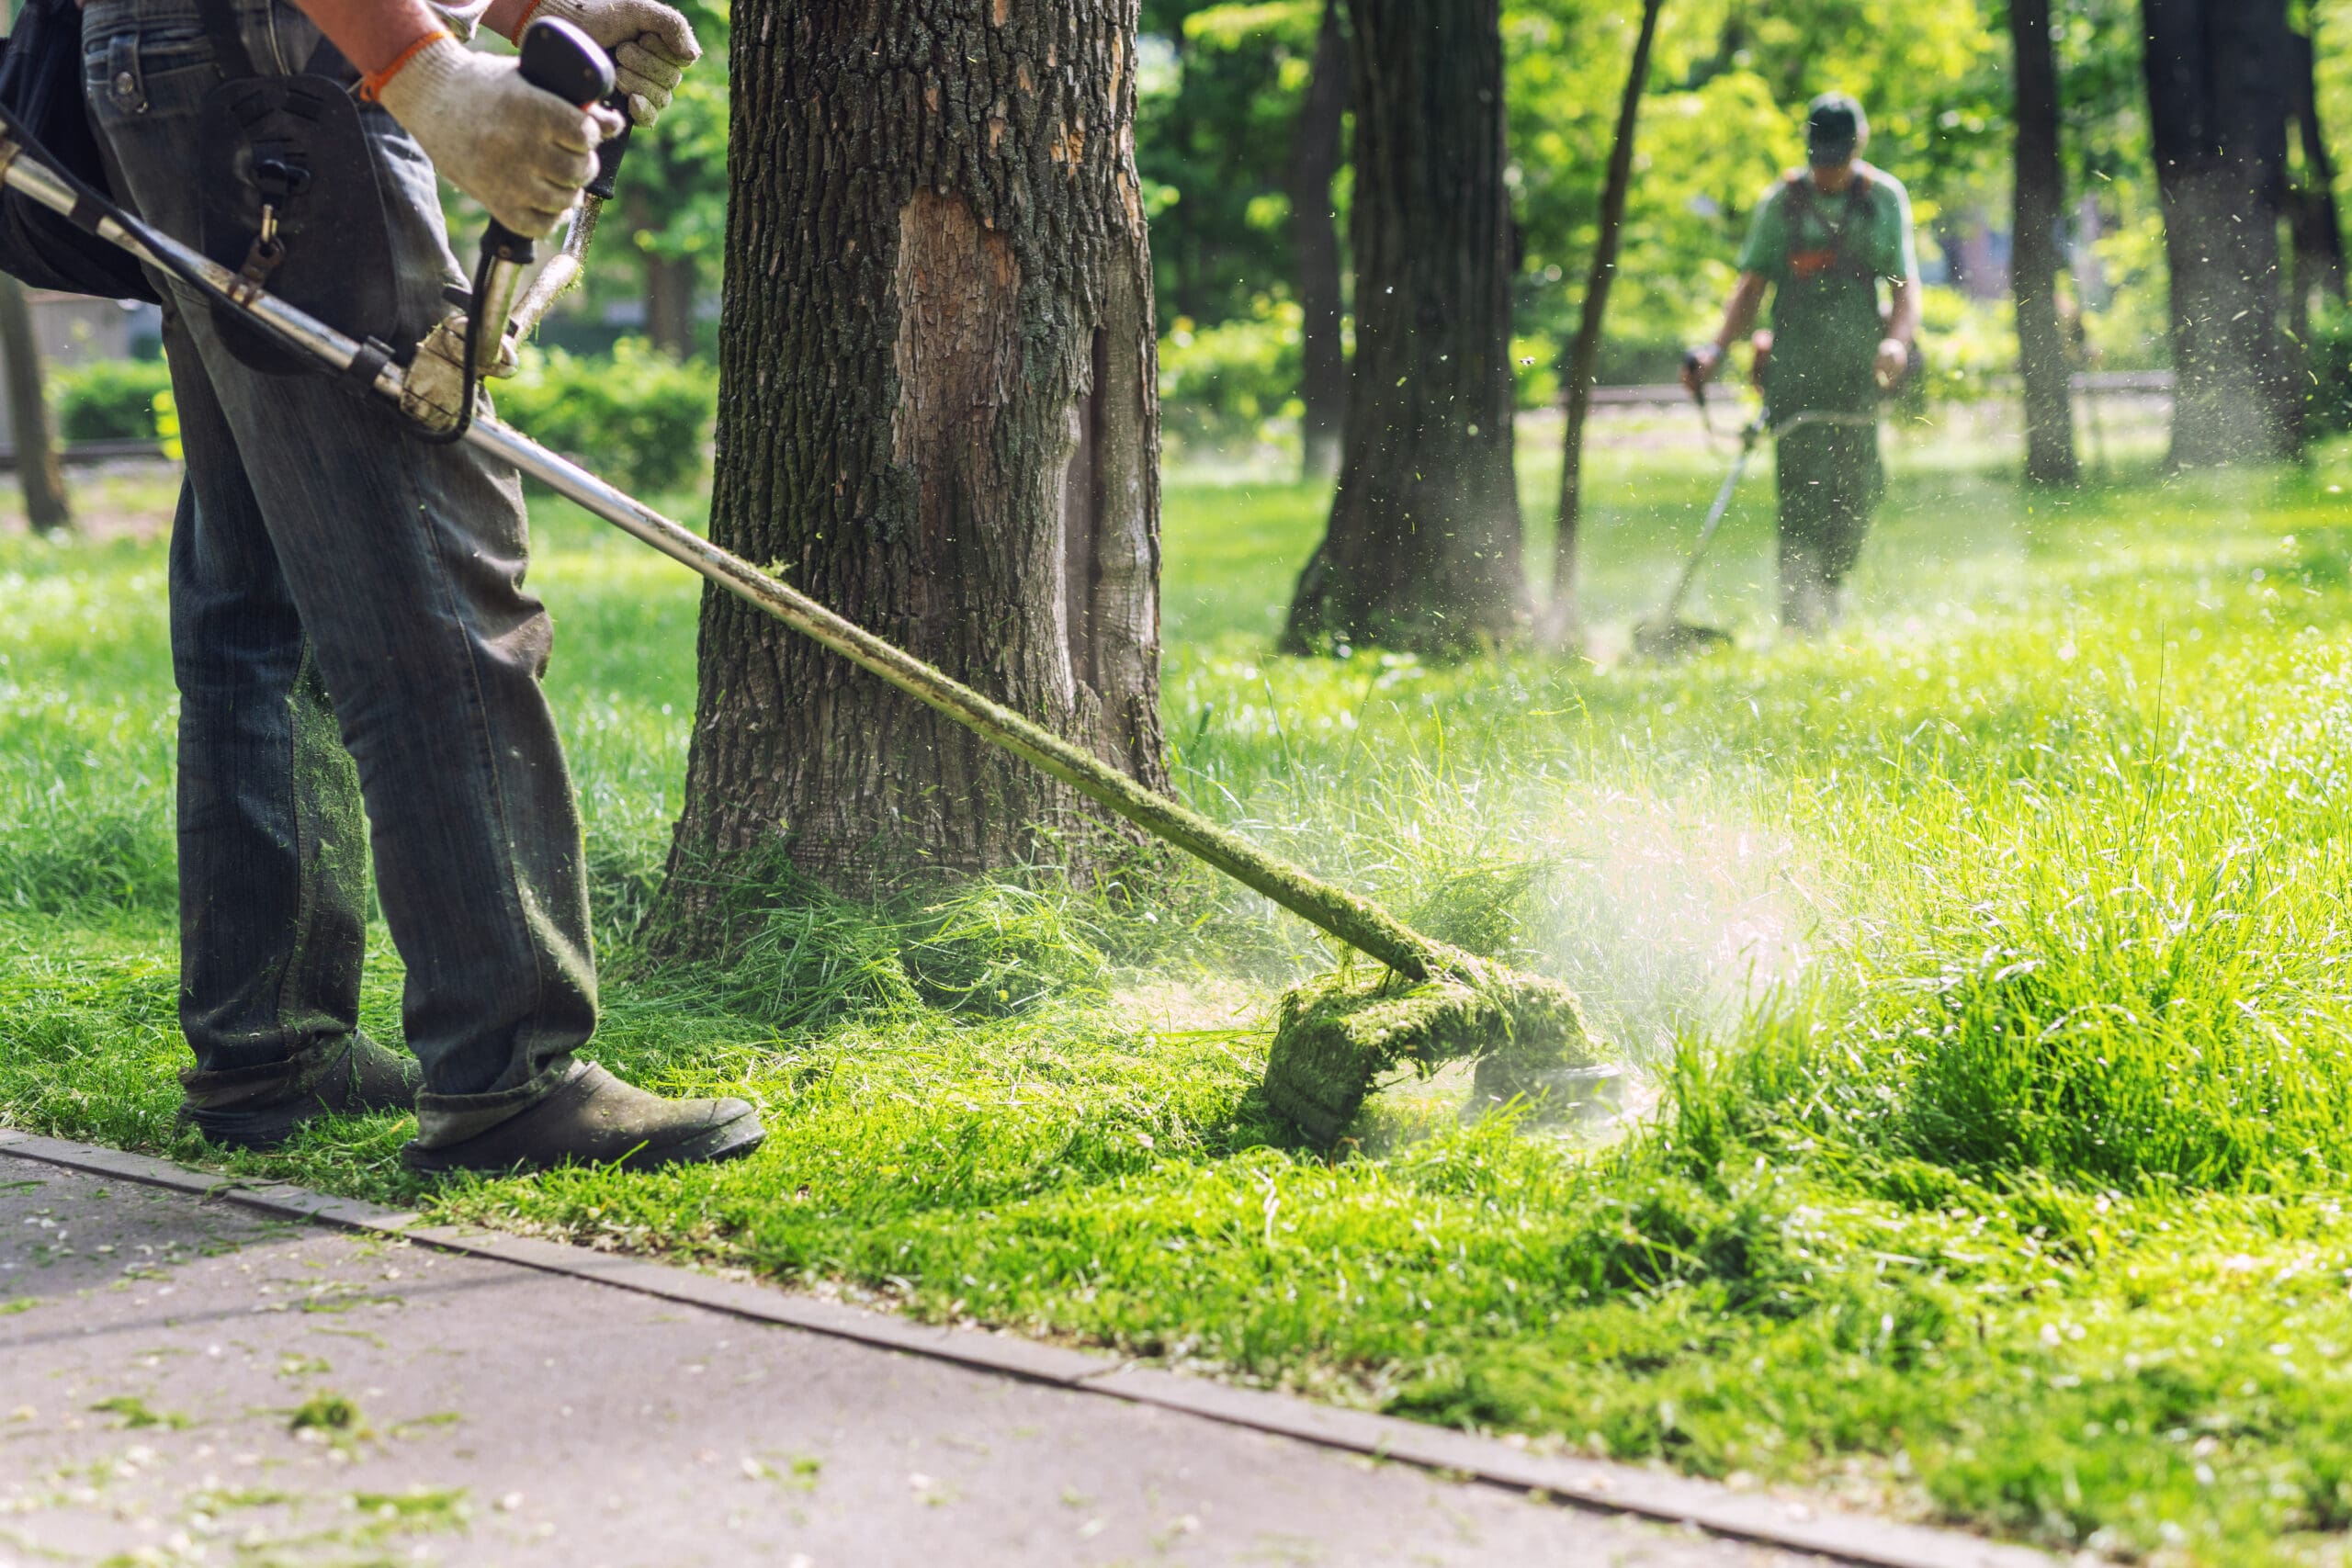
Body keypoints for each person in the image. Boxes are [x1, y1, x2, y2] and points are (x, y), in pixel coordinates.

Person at [84, 0, 765, 1173]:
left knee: (268, 584)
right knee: (429, 569)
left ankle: (270, 1047)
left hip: (182, 60)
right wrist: (423, 65)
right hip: (278, 65)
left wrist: (514, 12)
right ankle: (508, 1074)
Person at [1680, 92, 1921, 634]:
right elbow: (1751, 286)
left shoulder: (1883, 199)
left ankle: (1831, 595)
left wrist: (1897, 344)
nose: (1828, 167)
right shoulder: (1782, 203)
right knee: (1801, 490)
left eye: (1837, 156)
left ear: (1858, 146)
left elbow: (1906, 286)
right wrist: (1716, 351)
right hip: (1795, 367)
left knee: (1857, 488)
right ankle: (1798, 614)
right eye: (1821, 156)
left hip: (1858, 366)